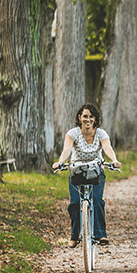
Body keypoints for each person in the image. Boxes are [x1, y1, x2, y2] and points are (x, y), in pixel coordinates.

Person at [52, 103, 121, 248]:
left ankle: (100, 233)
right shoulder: (73, 133)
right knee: (75, 203)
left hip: (96, 172)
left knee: (97, 200)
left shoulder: (101, 133)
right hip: (77, 171)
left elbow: (107, 147)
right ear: (79, 117)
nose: (88, 120)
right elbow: (67, 149)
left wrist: (113, 160)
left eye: (91, 117)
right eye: (85, 116)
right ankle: (74, 235)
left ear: (95, 119)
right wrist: (60, 162)